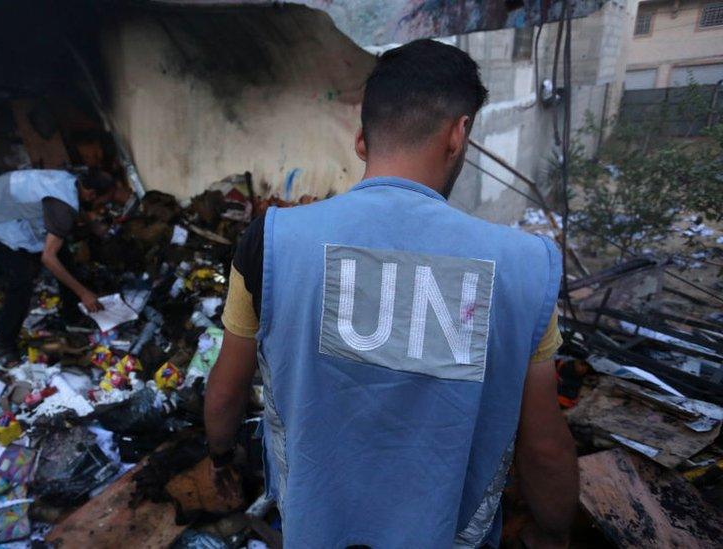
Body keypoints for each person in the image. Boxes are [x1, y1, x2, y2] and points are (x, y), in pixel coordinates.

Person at [204, 40, 578, 548]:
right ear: (458, 133)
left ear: (362, 140)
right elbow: (545, 450)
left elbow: (226, 393)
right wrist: (554, 531)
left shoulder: (271, 243)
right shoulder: (522, 269)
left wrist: (221, 455)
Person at [0, 167, 115, 363]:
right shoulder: (63, 207)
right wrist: (83, 293)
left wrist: (92, 226)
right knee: (22, 278)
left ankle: (72, 316)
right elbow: (48, 258)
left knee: (62, 252)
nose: (101, 207)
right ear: (91, 194)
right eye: (101, 202)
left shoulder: (72, 179)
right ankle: (2, 345)